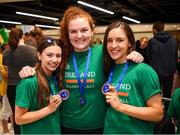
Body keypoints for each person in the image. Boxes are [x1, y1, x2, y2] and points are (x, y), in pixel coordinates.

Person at [19, 6, 144, 134]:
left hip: (99, 126)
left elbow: (119, 55)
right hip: (66, 125)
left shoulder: (104, 52)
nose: (79, 36)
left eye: (84, 30)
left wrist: (134, 54)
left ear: (92, 30)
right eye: (73, 31)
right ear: (67, 34)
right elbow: (46, 67)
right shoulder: (62, 55)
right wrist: (30, 69)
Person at [102, 21, 163, 134]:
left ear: (130, 43)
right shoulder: (108, 68)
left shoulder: (143, 71)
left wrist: (121, 106)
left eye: (120, 40)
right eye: (109, 41)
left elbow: (158, 114)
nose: (113, 45)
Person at [15, 37, 64, 134]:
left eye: (58, 56)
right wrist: (49, 109)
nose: (54, 60)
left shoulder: (56, 79)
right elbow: (19, 119)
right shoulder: (29, 82)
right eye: (49, 55)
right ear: (39, 55)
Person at [2, 27, 38, 134]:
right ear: (22, 36)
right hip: (29, 86)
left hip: (12, 87)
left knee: (16, 115)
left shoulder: (6, 53)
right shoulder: (33, 50)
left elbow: (7, 73)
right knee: (30, 113)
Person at [146, 21, 178, 109]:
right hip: (169, 71)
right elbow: (175, 56)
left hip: (156, 72)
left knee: (155, 93)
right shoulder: (173, 40)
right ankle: (167, 112)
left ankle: (157, 110)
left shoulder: (152, 41)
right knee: (168, 94)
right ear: (163, 28)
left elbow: (148, 56)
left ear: (154, 30)